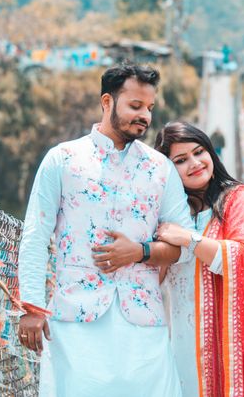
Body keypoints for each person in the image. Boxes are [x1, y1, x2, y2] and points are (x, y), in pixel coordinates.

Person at [17, 63, 196, 397]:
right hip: (75, 320)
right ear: (107, 102)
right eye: (135, 106)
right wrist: (31, 307)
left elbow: (185, 246)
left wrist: (140, 251)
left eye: (150, 108)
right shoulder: (62, 159)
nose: (145, 116)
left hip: (143, 321)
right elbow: (35, 235)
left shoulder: (161, 169)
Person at [154, 122, 244, 397]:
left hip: (230, 344)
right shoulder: (169, 216)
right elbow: (154, 279)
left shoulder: (240, 200)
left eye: (199, 152)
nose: (194, 163)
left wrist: (188, 240)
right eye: (180, 160)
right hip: (182, 344)